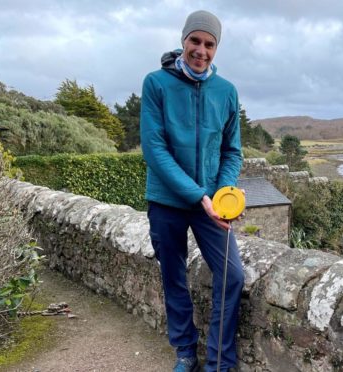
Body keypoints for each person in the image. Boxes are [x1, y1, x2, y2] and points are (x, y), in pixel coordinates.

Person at [140, 10, 244, 372]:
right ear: (184, 40)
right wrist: (198, 194)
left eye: (209, 44)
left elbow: (232, 151)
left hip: (211, 204)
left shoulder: (227, 91)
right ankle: (185, 352)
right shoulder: (156, 84)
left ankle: (218, 361)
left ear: (217, 48)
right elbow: (154, 149)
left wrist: (222, 193)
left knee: (233, 276)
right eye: (195, 41)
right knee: (174, 276)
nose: (201, 50)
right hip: (167, 200)